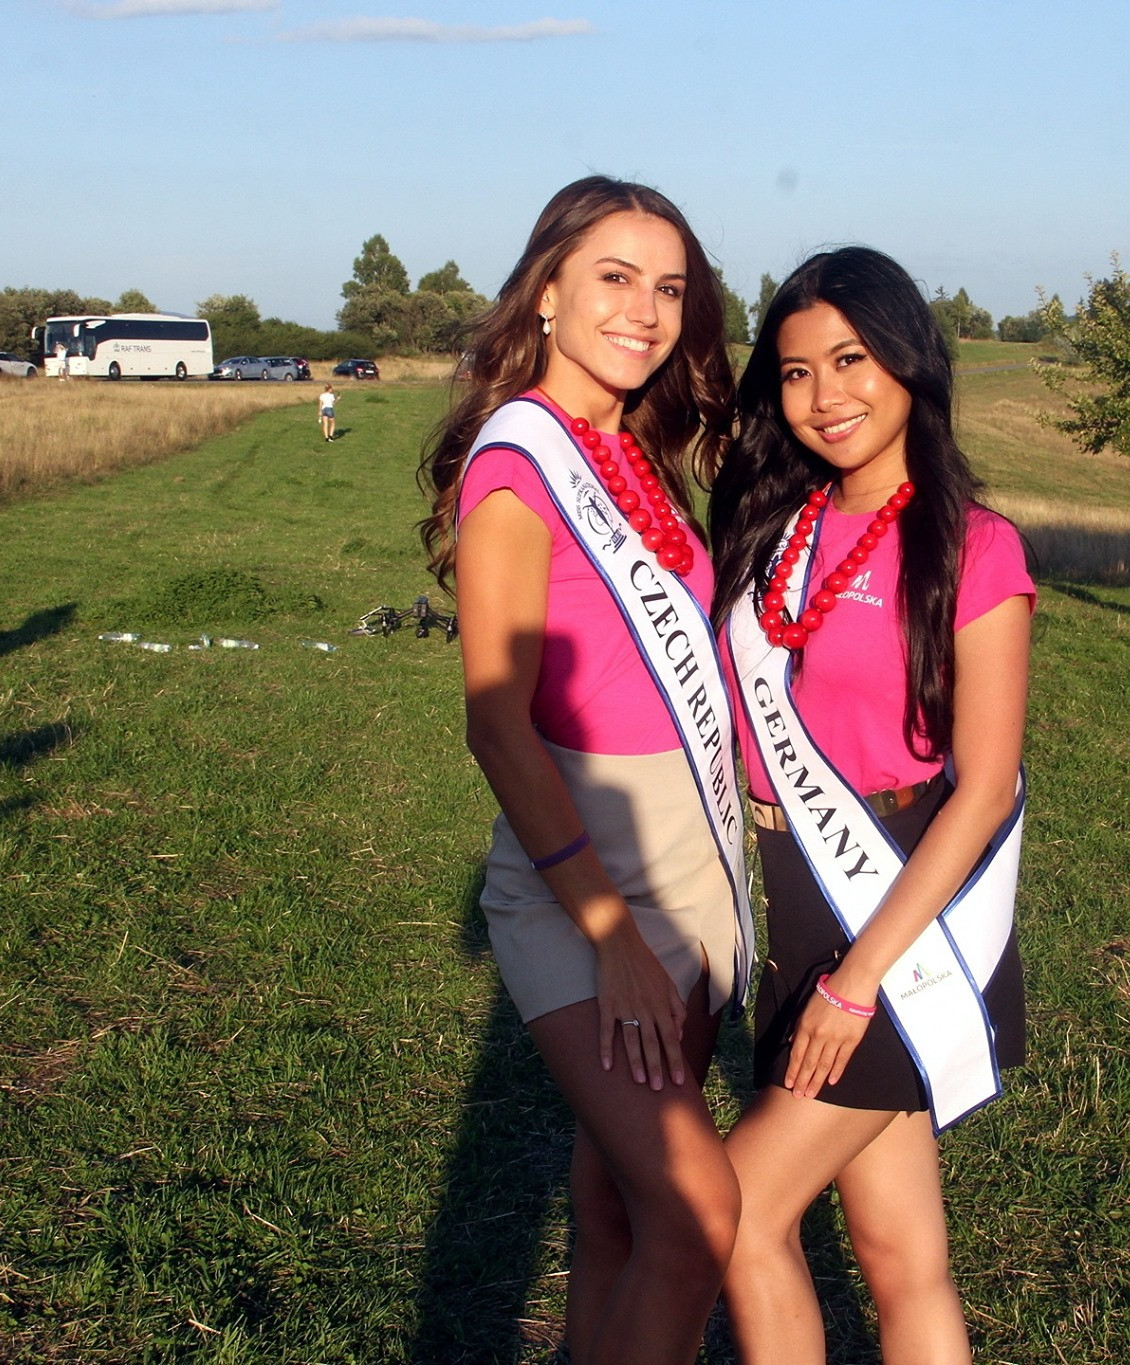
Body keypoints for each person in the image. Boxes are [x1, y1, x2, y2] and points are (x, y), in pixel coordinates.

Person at [418, 176, 744, 1365]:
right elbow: (496, 725)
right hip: (580, 884)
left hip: (693, 869)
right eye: (614, 278)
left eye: (668, 289)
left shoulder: (636, 453)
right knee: (698, 1209)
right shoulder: (520, 467)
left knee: (616, 1209)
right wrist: (606, 930)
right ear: (547, 290)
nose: (644, 312)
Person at [709, 247, 1034, 1363]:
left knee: (735, 1211)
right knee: (899, 1256)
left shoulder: (973, 547)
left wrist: (854, 985)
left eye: (849, 360)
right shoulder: (778, 527)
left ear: (908, 360)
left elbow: (983, 786)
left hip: (901, 909)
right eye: (794, 373)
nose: (824, 397)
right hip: (796, 893)